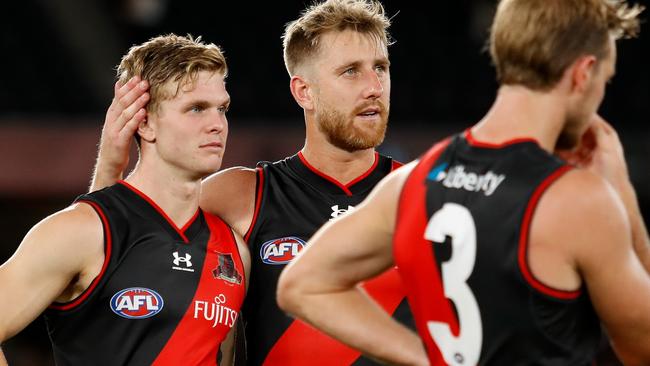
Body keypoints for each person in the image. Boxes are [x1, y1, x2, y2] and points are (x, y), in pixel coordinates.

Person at [277, 0, 650, 364]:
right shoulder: (578, 199)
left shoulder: (413, 181)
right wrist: (622, 192)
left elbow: (302, 285)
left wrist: (431, 359)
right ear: (584, 73)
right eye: (606, 79)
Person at [90, 0, 414, 364]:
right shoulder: (242, 195)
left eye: (381, 68)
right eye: (351, 71)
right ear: (303, 91)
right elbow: (111, 256)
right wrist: (110, 166)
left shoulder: (424, 194)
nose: (374, 86)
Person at [0, 34, 250, 366]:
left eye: (222, 109)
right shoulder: (82, 230)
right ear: (144, 122)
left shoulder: (232, 251)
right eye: (196, 109)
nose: (217, 124)